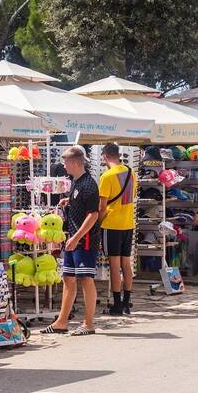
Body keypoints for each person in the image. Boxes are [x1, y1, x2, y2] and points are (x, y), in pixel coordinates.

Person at [42, 146, 101, 336]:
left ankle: (88, 323)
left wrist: (77, 237)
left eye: (66, 162)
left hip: (84, 240)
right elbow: (82, 204)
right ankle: (61, 321)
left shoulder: (89, 184)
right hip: (73, 237)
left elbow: (93, 214)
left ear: (75, 163)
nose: (64, 165)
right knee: (68, 278)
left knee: (85, 278)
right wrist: (69, 201)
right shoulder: (77, 182)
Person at [97, 143, 136, 316]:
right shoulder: (131, 172)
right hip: (128, 223)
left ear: (105, 156)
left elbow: (102, 207)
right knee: (126, 263)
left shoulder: (107, 176)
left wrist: (97, 223)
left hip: (111, 224)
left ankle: (117, 305)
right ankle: (127, 303)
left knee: (114, 265)